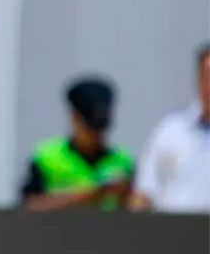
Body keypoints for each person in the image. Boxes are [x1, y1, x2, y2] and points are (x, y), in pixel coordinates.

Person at [20, 76, 134, 211]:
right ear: (74, 118)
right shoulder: (46, 158)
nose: (96, 134)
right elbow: (29, 207)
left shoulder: (122, 162)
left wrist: (125, 196)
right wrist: (94, 193)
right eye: (90, 127)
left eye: (101, 127)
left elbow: (136, 208)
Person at [130, 43, 210, 213]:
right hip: (174, 228)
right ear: (199, 79)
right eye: (209, 75)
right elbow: (144, 193)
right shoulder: (171, 131)